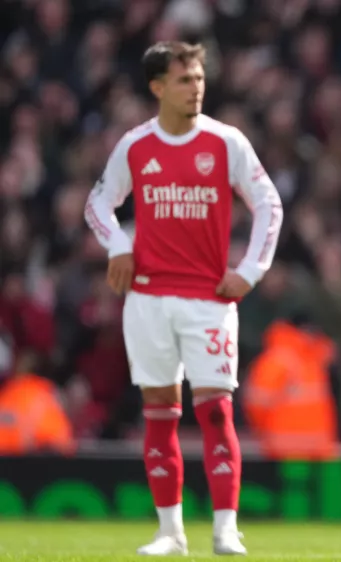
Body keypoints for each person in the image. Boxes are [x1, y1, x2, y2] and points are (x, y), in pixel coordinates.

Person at [84, 41, 283, 556]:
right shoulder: (135, 146)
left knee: (216, 411)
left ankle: (225, 528)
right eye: (184, 80)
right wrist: (119, 244)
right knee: (159, 411)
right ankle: (170, 532)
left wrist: (250, 271)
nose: (196, 88)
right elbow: (98, 203)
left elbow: (269, 203)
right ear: (157, 87)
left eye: (198, 78)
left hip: (209, 300)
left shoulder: (226, 142)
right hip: (147, 299)